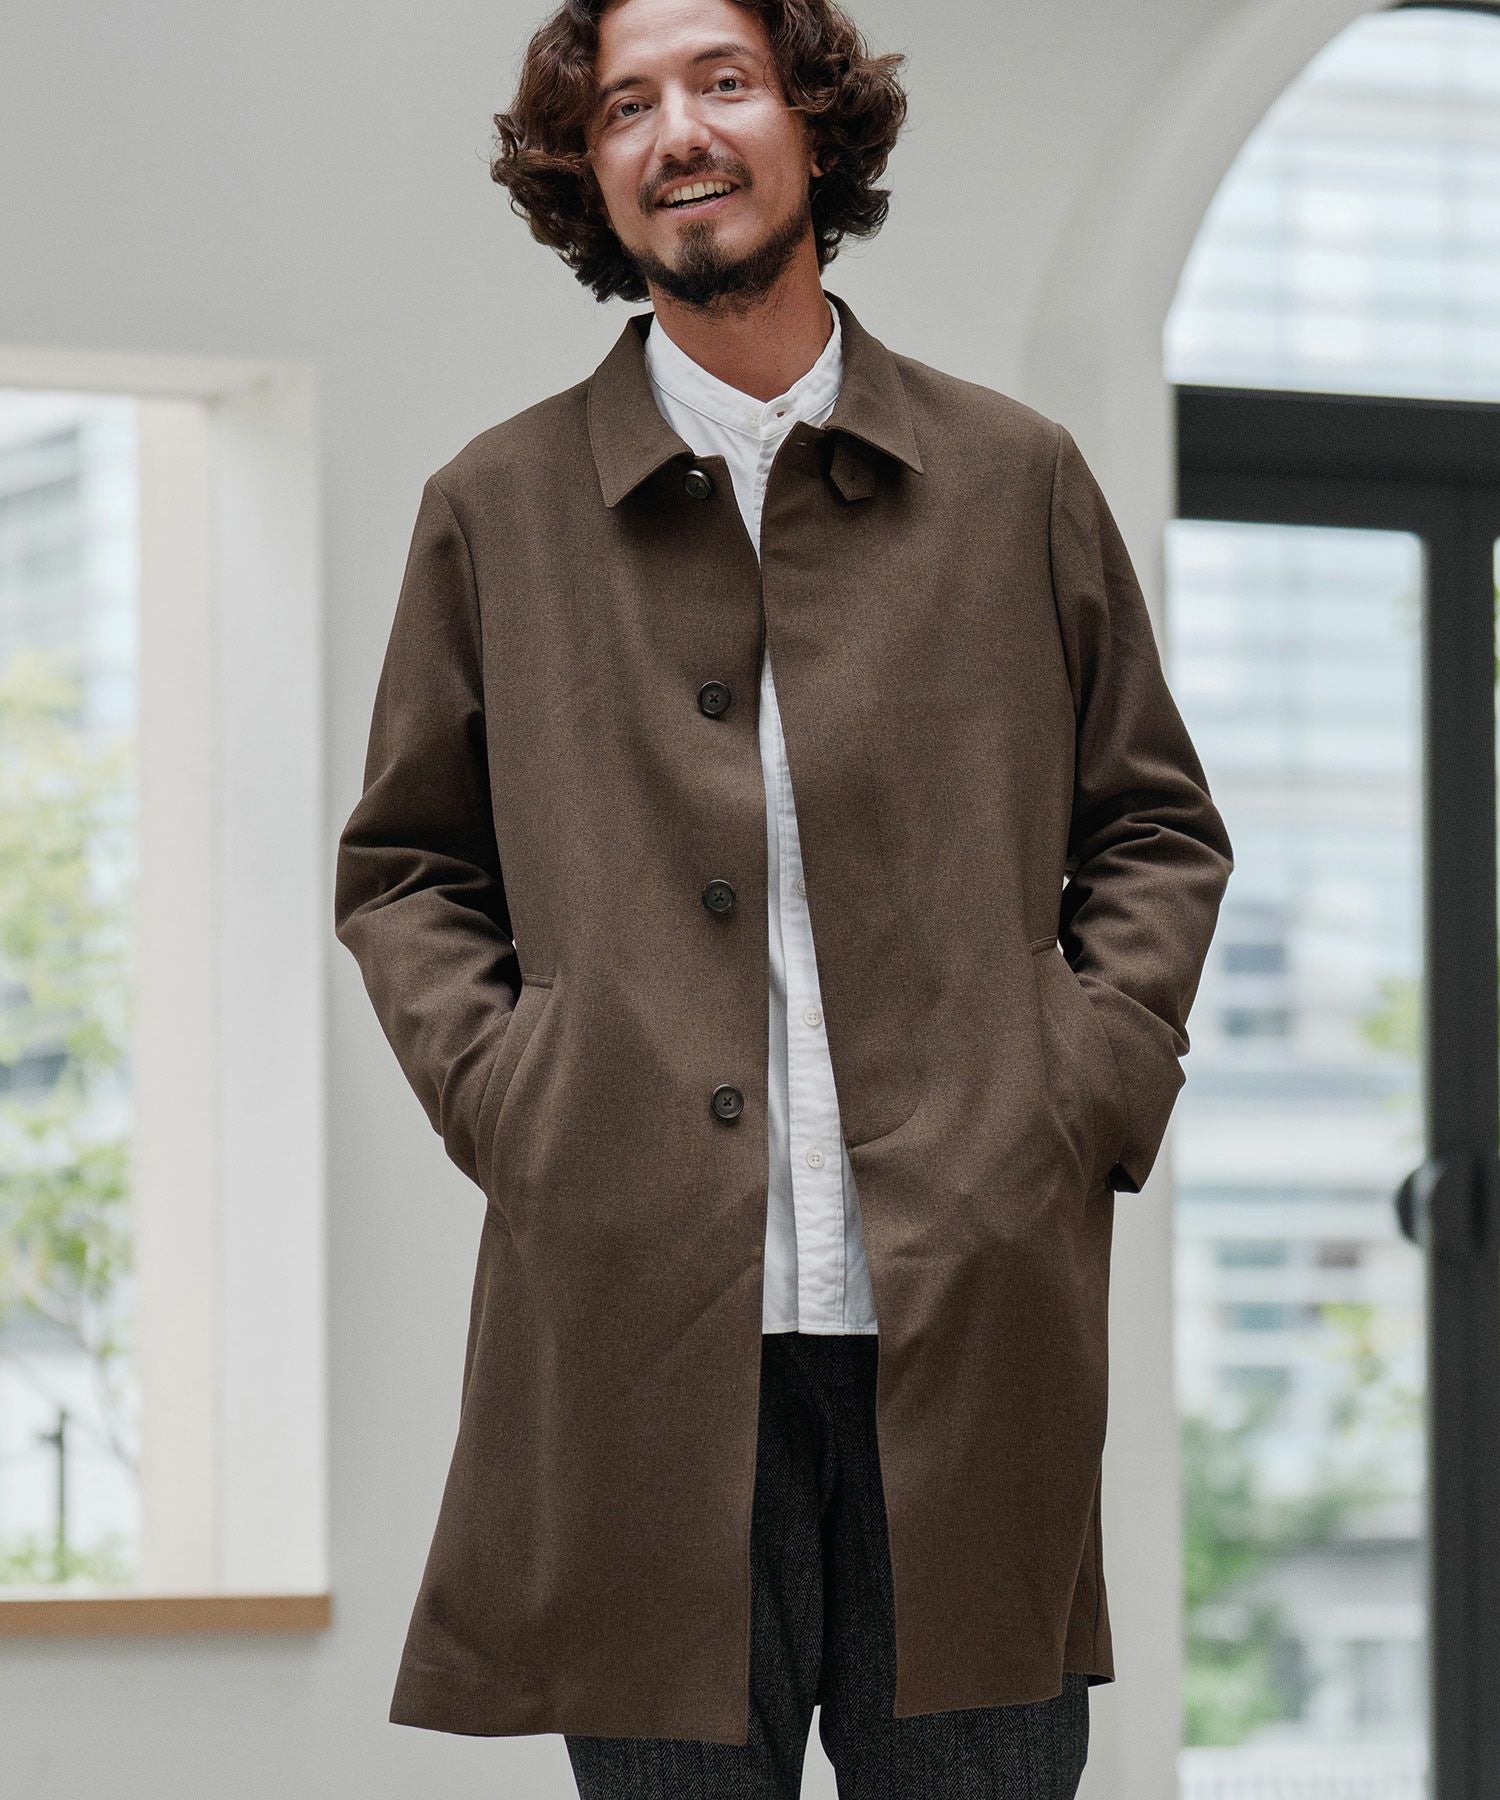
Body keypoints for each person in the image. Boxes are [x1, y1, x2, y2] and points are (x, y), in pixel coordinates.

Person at [333, 0, 1233, 1794]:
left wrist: (1077, 1088)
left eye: (724, 82)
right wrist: (519, 1102)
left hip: (966, 1332)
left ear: (813, 125)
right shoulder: (495, 509)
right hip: (641, 1353)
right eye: (625, 107)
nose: (678, 131)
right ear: (589, 176)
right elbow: (408, 869)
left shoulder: (1013, 479)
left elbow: (1153, 827)